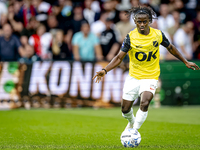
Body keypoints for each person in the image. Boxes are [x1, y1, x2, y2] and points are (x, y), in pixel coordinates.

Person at [92, 6, 199, 131]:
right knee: (125, 109)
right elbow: (118, 57)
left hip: (151, 76)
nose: (142, 24)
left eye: (144, 21)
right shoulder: (130, 37)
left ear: (149, 21)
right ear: (135, 21)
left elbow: (170, 47)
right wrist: (105, 70)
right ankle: (131, 123)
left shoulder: (157, 34)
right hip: (134, 76)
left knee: (145, 102)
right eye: (139, 21)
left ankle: (134, 131)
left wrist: (185, 61)